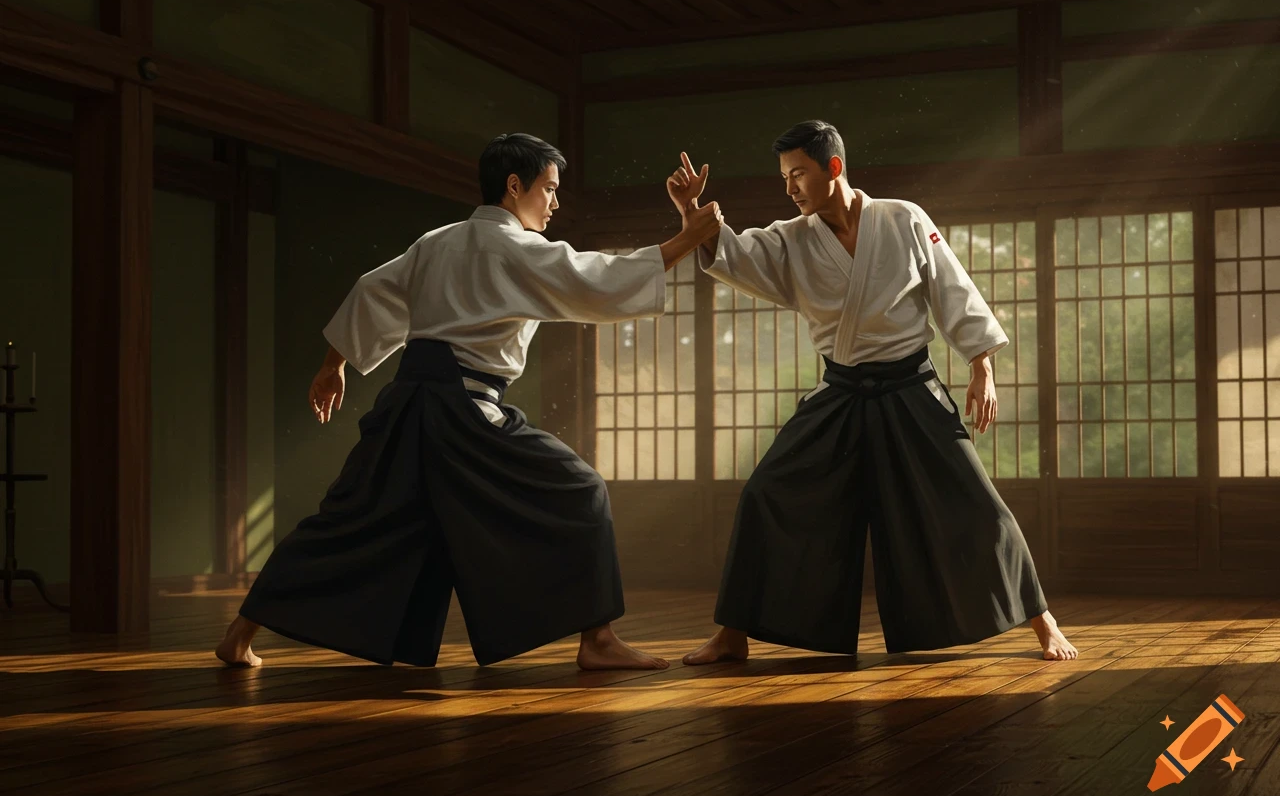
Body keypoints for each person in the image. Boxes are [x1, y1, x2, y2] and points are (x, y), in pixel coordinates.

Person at [216, 133, 723, 671]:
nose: (555, 203)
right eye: (549, 189)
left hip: (408, 402)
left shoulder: (437, 240)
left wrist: (332, 365)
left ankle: (239, 635)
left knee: (345, 519)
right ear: (514, 186)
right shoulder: (517, 247)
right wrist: (685, 240)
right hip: (463, 409)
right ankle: (597, 642)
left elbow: (373, 290)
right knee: (581, 489)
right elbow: (594, 281)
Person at [667, 120, 1077, 666]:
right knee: (765, 493)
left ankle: (1042, 621)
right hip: (840, 392)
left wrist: (982, 365)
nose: (789, 188)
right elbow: (734, 255)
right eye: (784, 177)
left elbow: (951, 288)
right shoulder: (792, 236)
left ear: (833, 168)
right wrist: (693, 221)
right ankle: (733, 634)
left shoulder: (903, 218)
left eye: (799, 175)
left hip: (910, 387)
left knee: (976, 504)